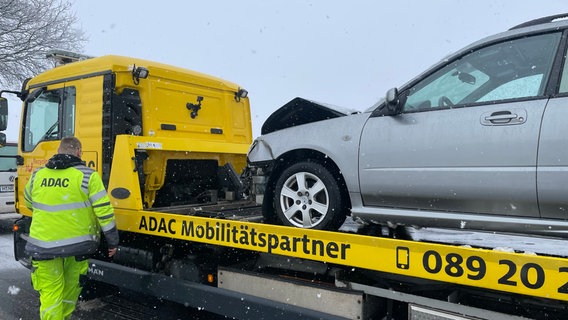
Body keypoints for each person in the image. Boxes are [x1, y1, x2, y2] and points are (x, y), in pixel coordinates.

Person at [23, 136, 119, 320]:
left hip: (44, 247)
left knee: (51, 293)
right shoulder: (88, 176)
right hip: (78, 248)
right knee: (70, 292)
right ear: (79, 153)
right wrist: (112, 240)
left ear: (58, 151)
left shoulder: (38, 175)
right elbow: (104, 212)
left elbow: (29, 202)